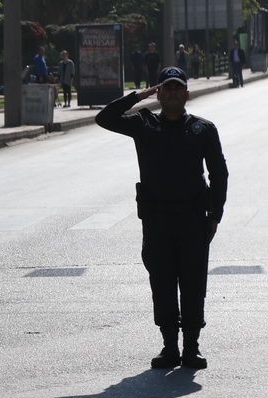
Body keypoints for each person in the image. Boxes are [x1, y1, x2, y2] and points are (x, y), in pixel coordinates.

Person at [95, 66, 228, 370]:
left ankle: (191, 347)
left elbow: (218, 173)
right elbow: (105, 118)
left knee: (194, 282)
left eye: (176, 88)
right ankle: (170, 346)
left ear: (186, 94)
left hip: (193, 220)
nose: (170, 93)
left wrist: (215, 215)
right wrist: (140, 95)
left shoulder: (202, 129)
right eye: (165, 88)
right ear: (159, 92)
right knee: (163, 282)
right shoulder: (144, 125)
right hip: (157, 221)